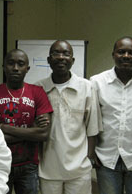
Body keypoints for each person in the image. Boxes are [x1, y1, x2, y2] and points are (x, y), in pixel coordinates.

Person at [90, 36, 132, 194]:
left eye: (131, 52)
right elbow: (90, 120)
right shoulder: (96, 82)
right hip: (106, 159)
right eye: (121, 52)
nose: (126, 56)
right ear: (113, 54)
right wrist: (91, 152)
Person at [0, 49, 53, 194]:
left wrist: (3, 127)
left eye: (20, 64)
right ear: (3, 66)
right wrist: (31, 131)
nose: (15, 68)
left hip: (28, 164)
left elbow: (43, 134)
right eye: (10, 63)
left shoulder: (37, 92)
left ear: (27, 68)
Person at [35, 40, 102, 194]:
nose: (61, 57)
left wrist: (89, 159)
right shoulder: (38, 88)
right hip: (48, 169)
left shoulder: (86, 87)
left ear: (72, 61)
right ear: (48, 60)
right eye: (56, 53)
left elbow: (92, 128)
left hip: (79, 170)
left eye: (66, 54)